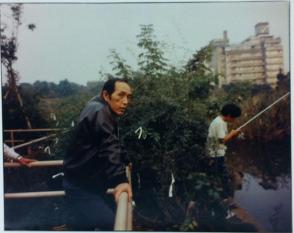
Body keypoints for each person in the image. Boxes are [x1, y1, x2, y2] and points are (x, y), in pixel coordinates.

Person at [63, 78, 133, 230]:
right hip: (81, 187)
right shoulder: (100, 111)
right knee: (110, 224)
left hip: (83, 182)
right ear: (106, 95)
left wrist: (125, 158)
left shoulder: (98, 107)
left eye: (128, 97)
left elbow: (106, 141)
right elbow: (108, 145)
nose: (126, 101)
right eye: (120, 95)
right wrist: (120, 179)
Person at [206, 103, 241, 201]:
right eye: (234, 118)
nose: (234, 120)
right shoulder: (220, 123)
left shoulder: (219, 120)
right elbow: (222, 140)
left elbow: (221, 138)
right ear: (229, 115)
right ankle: (225, 200)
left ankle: (223, 197)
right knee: (223, 179)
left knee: (220, 177)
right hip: (216, 155)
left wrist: (233, 135)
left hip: (213, 152)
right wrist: (232, 133)